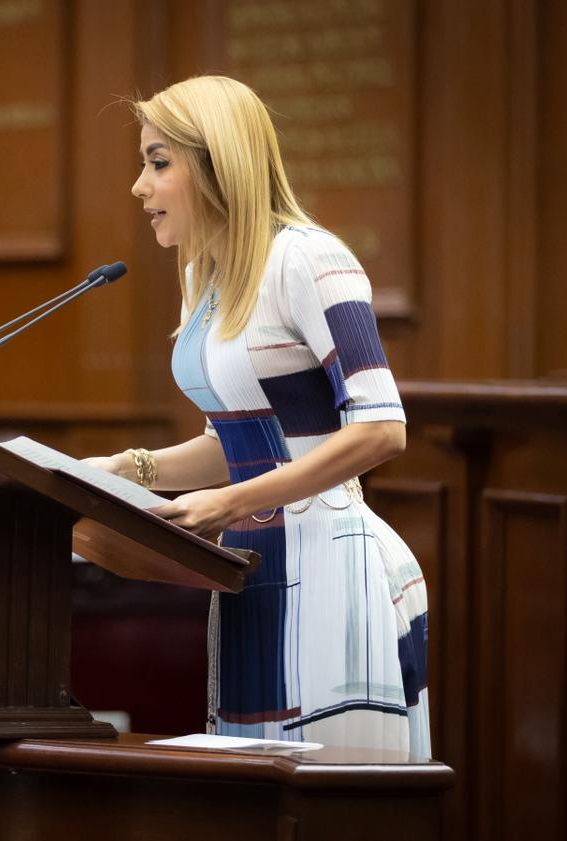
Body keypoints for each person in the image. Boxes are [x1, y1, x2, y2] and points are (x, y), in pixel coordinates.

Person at [85, 76, 429, 755]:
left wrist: (227, 502)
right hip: (248, 565)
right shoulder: (204, 277)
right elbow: (238, 440)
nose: (138, 186)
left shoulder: (311, 258)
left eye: (158, 162)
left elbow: (382, 427)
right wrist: (133, 469)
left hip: (331, 565)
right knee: (256, 798)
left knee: (335, 811)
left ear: (216, 165)